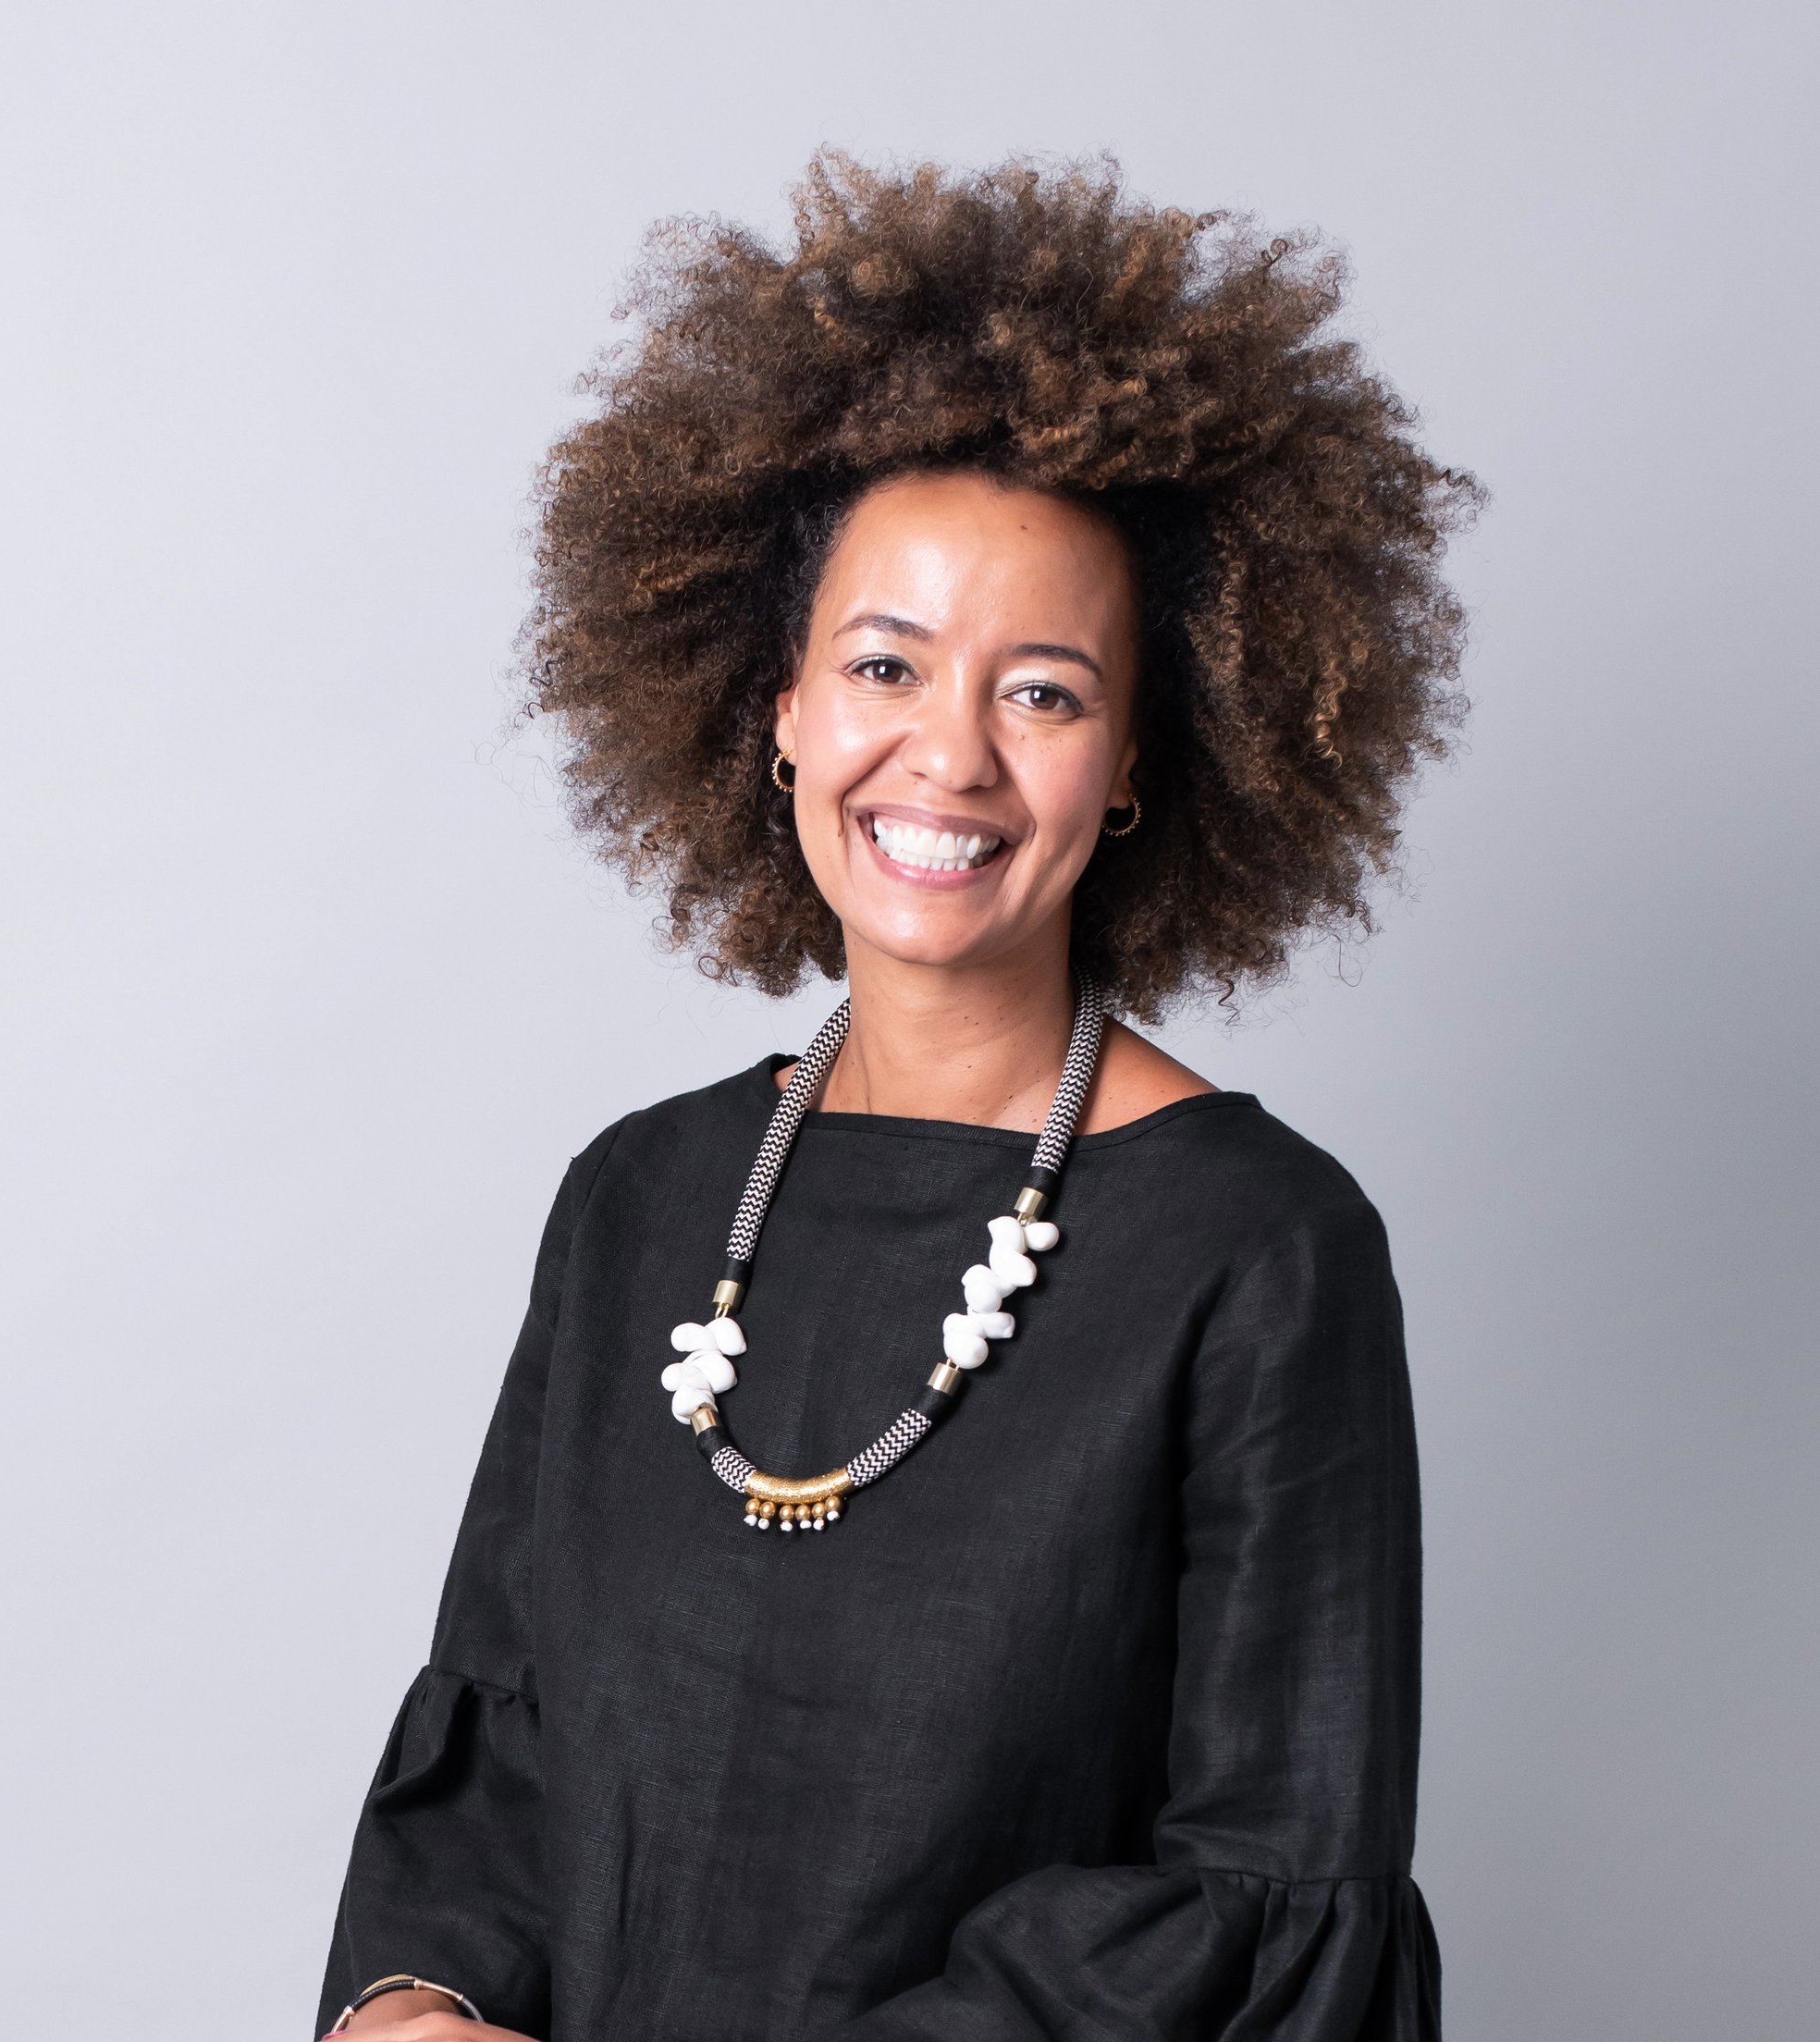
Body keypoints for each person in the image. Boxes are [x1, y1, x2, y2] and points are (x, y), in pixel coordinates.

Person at [316, 154, 1477, 2042]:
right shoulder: (635, 1200)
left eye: (1039, 693)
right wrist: (417, 2000)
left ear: (1130, 766)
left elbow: (1255, 1892)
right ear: (776, 705)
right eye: (881, 664)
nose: (943, 753)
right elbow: (503, 1736)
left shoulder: (1258, 1251)